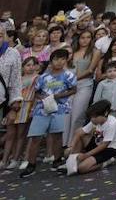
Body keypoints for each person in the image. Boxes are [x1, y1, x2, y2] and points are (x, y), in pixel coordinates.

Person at [20, 46, 77, 177]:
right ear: (51, 61)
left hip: (60, 109)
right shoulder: (43, 77)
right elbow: (37, 92)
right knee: (35, 137)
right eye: (57, 59)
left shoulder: (69, 75)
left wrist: (59, 96)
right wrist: (43, 99)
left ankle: (57, 160)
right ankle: (31, 164)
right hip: (42, 110)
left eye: (63, 59)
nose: (60, 62)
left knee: (57, 136)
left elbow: (74, 89)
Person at [62, 98, 116, 175]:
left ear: (105, 113)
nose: (92, 119)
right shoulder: (94, 121)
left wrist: (86, 155)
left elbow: (104, 145)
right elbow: (79, 132)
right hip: (98, 142)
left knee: (82, 168)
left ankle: (105, 162)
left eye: (95, 117)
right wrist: (71, 148)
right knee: (70, 150)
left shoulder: (112, 124)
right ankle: (72, 161)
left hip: (109, 149)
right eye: (91, 117)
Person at [3, 55, 38, 171]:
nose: (31, 67)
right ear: (22, 67)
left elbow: (37, 94)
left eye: (33, 65)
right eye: (28, 65)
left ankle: (16, 159)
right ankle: (4, 159)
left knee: (21, 135)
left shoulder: (37, 78)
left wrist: (33, 108)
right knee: (10, 134)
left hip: (26, 106)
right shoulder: (17, 78)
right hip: (13, 106)